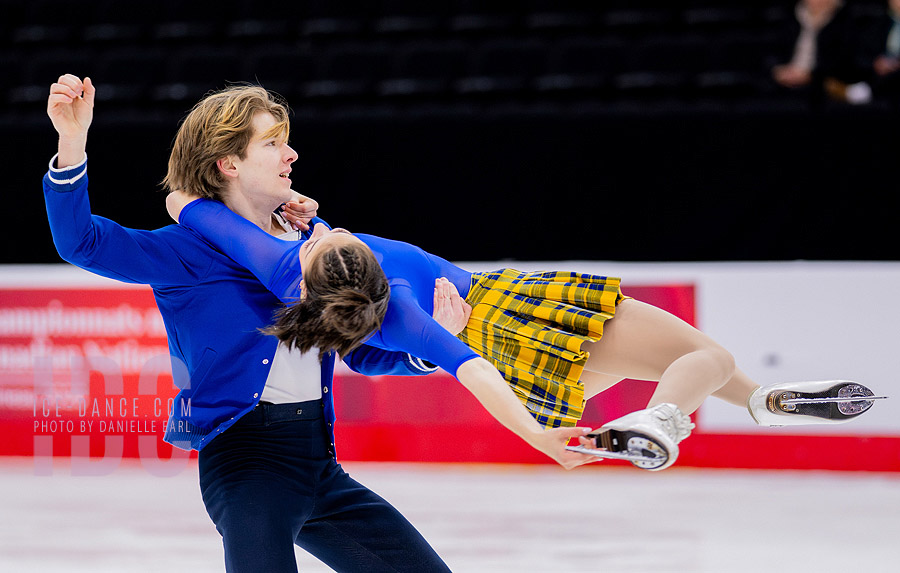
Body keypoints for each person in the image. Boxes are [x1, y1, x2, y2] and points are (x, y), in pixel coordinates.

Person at [44, 75, 457, 572]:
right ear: (229, 163)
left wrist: (428, 349)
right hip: (246, 466)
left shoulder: (306, 247)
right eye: (273, 143)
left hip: (319, 464)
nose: (292, 155)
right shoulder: (184, 252)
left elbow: (359, 351)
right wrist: (72, 141)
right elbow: (81, 242)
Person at [165, 193, 885, 472]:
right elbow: (188, 202)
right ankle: (668, 420)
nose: (329, 226)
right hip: (516, 313)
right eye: (330, 234)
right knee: (705, 354)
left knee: (666, 364)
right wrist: (531, 439)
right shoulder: (407, 300)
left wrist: (292, 218)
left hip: (518, 364)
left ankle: (740, 405)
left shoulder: (305, 273)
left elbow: (187, 205)